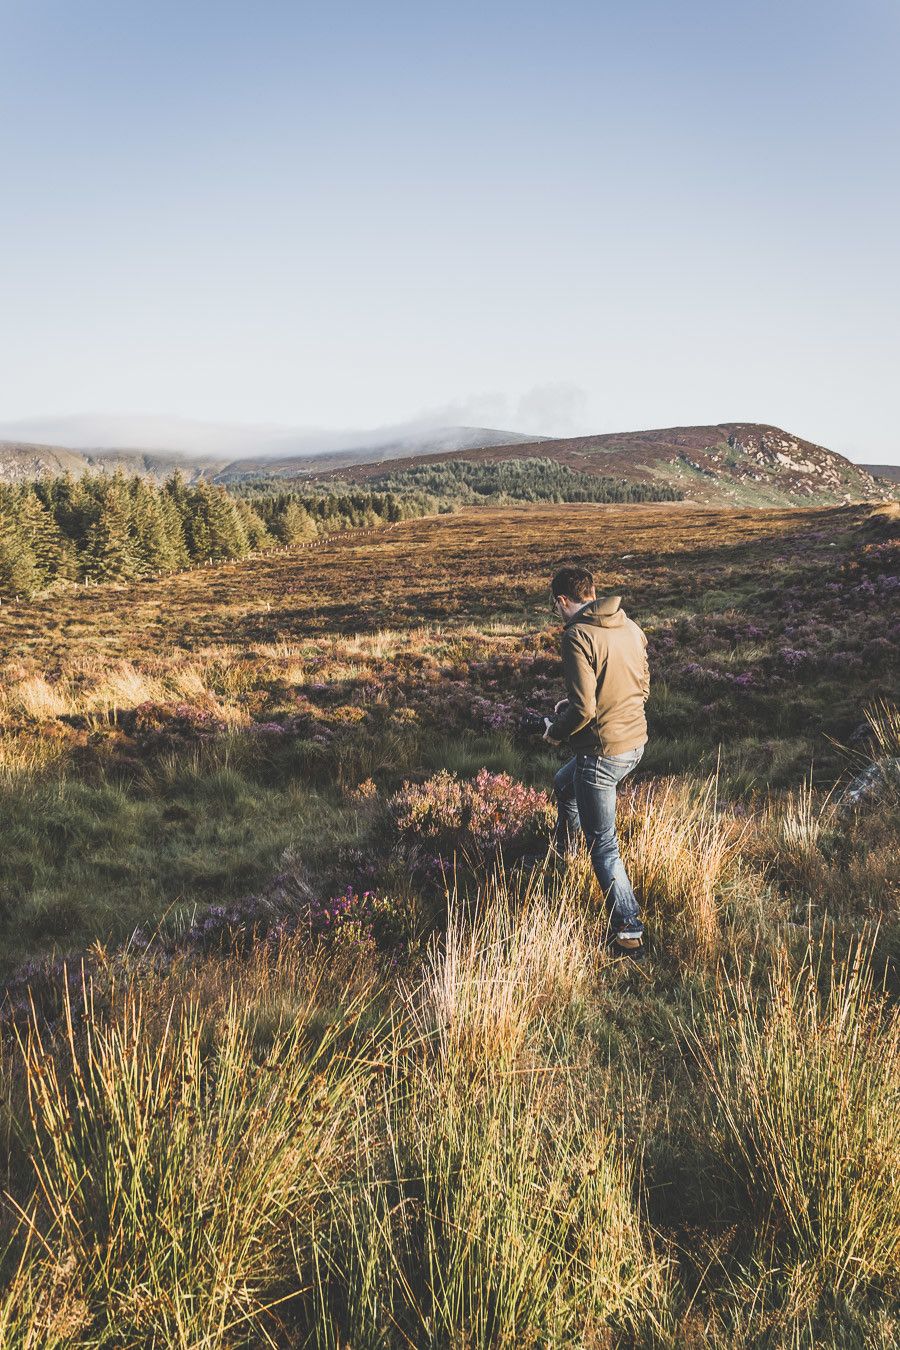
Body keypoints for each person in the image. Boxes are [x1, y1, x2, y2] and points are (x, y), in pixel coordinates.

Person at [541, 565, 650, 960]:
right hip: (635, 742)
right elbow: (640, 685)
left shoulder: (576, 637)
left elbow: (586, 708)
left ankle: (629, 931)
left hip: (602, 754)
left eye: (555, 607)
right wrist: (574, 707)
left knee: (604, 848)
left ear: (562, 601)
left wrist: (556, 731)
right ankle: (565, 855)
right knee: (563, 784)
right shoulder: (629, 627)